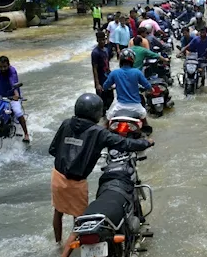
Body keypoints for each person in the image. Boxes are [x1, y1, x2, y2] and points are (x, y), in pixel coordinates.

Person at [49, 93, 154, 257]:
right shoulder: (97, 132)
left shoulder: (66, 123)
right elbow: (124, 143)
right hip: (76, 182)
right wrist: (145, 142)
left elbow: (53, 149)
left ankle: (58, 244)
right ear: (97, 113)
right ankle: (64, 255)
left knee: (58, 212)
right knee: (82, 224)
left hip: (57, 176)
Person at [103, 49, 153, 127]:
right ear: (132, 61)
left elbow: (105, 86)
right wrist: (151, 90)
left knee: (107, 122)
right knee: (145, 122)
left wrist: (111, 87)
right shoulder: (137, 72)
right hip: (136, 107)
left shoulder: (115, 73)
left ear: (121, 60)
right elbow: (148, 86)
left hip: (119, 107)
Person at [91, 32, 114, 118]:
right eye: (100, 40)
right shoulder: (95, 52)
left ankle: (106, 113)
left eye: (103, 40)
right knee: (102, 101)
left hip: (107, 78)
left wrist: (112, 77)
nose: (102, 42)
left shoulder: (106, 50)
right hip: (100, 79)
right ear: (97, 40)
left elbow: (107, 64)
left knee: (111, 97)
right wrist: (97, 84)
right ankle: (102, 117)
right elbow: (94, 68)